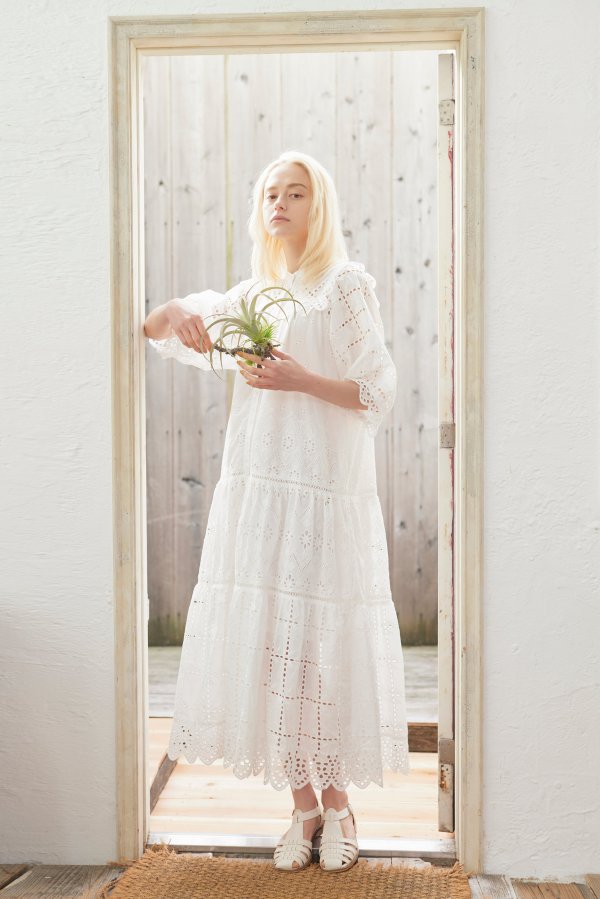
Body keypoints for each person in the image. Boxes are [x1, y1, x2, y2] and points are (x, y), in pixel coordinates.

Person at [143, 150, 410, 873]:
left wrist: (301, 379)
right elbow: (161, 327)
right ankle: (302, 808)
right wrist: (177, 313)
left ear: (318, 206)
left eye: (296, 193)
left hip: (325, 497)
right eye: (271, 194)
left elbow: (378, 388)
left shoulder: (343, 287)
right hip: (260, 495)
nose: (281, 204)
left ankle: (340, 805)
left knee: (322, 651)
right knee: (271, 651)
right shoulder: (253, 297)